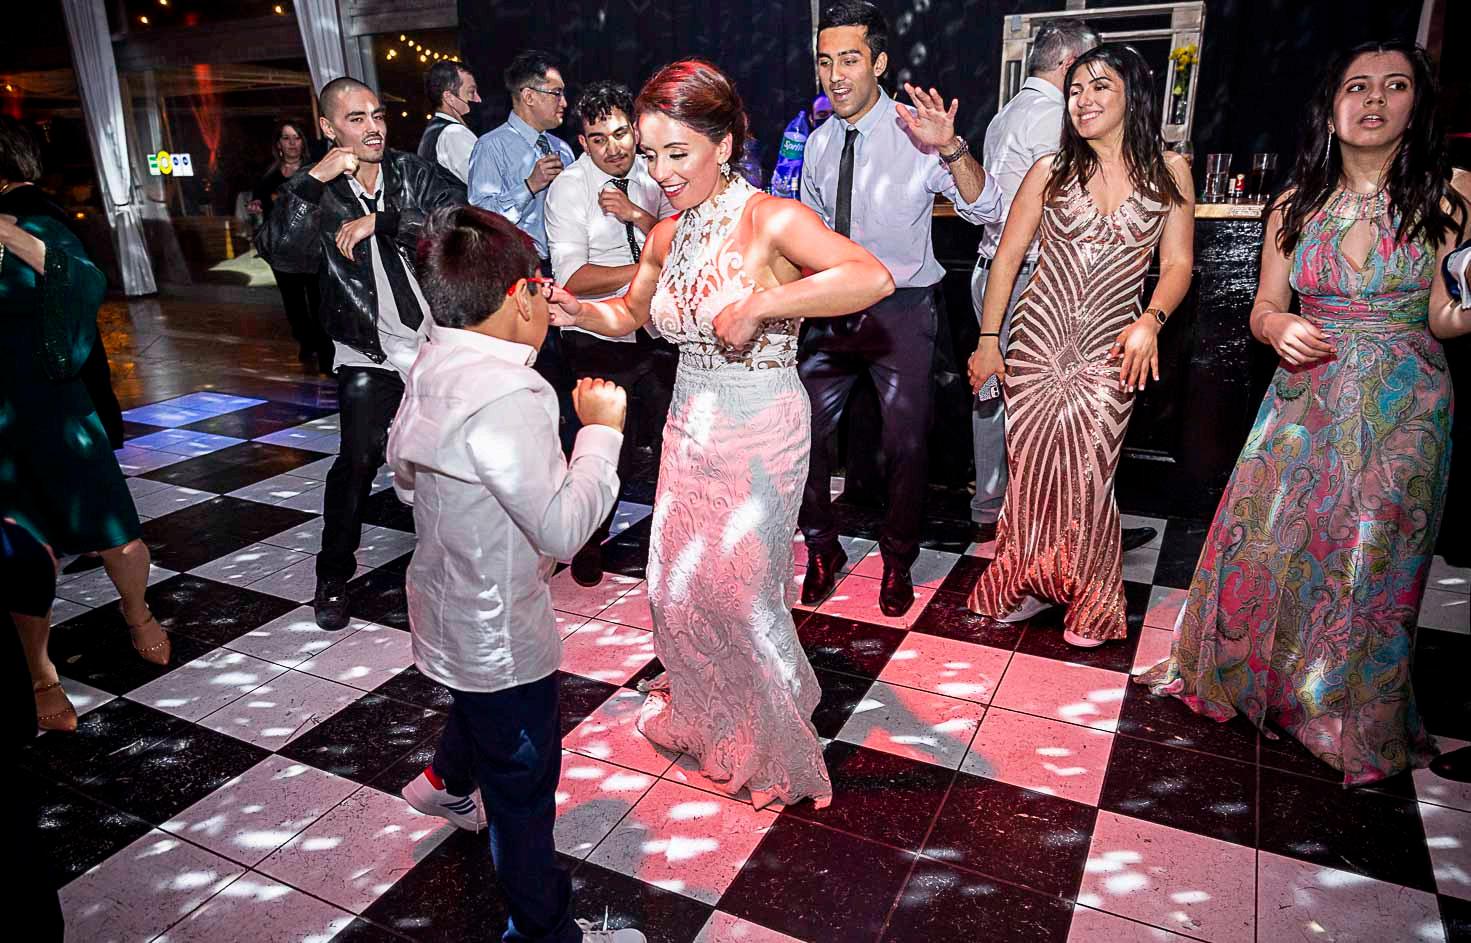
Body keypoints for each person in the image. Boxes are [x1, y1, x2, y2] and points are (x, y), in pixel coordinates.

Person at [550, 60, 894, 808]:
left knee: (740, 592)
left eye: (677, 153)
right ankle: (712, 711)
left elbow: (870, 276)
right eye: (651, 155)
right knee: (676, 587)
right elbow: (631, 315)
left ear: (725, 144)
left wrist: (765, 305)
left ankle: (769, 735)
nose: (661, 172)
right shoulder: (666, 232)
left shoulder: (771, 218)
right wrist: (577, 311)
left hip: (761, 421)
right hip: (690, 422)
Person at [1139, 41, 1470, 785]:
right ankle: (1268, 685)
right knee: (1273, 542)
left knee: (1372, 558)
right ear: (1329, 109)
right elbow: (1263, 306)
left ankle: (1346, 716)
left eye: (1394, 85)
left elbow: (1445, 315)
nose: (1374, 99)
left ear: (1417, 105)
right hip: (1304, 394)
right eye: (1357, 86)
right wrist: (1276, 326)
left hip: (1404, 401)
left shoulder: (1450, 194)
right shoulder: (1295, 204)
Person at [388, 205, 642, 943]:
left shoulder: (433, 361)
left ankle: (442, 783)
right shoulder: (512, 394)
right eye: (540, 284)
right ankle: (542, 932)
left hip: (442, 600)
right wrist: (600, 432)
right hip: (497, 628)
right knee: (523, 790)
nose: (548, 298)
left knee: (481, 711)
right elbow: (562, 528)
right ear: (519, 295)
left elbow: (403, 478)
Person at [966, 44, 1194, 647]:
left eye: (1099, 87)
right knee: (1030, 474)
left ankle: (1090, 598)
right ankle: (1024, 581)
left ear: (1132, 95)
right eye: (1075, 90)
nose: (1083, 100)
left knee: (1090, 473)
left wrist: (1151, 320)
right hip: (1037, 342)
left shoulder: (1170, 170)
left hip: (1111, 347)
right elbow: (1007, 259)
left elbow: (1177, 264)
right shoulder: (1051, 169)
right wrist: (989, 340)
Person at [798, 1, 1004, 617]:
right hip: (831, 309)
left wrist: (952, 148)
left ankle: (897, 560)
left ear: (880, 63)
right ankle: (822, 548)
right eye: (825, 61)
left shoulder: (917, 134)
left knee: (907, 444)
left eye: (850, 60)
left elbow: (987, 207)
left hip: (902, 308)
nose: (835, 75)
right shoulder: (818, 143)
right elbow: (810, 228)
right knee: (799, 432)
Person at [256, 77, 466, 631]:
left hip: (436, 342)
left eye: (377, 115)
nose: (373, 128)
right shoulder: (316, 188)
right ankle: (332, 576)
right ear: (328, 128)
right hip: (366, 348)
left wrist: (387, 221)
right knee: (357, 460)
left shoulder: (412, 172)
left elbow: (459, 225)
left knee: (453, 458)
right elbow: (282, 253)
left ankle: (458, 565)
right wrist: (311, 183)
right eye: (356, 118)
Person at [1, 211, 173, 733]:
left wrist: (7, 234)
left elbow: (84, 282)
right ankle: (39, 673)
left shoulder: (33, 227)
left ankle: (137, 609)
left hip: (56, 404)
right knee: (24, 555)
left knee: (118, 536)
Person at [545, 80, 676, 586]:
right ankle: (588, 539)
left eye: (621, 133)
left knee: (672, 441)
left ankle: (671, 539)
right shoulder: (569, 188)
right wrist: (645, 267)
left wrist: (639, 217)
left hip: (656, 329)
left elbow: (682, 237)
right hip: (596, 333)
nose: (614, 147)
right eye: (599, 139)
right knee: (608, 443)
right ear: (583, 142)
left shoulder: (653, 171)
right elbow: (573, 278)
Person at [468, 50, 580, 447]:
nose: (564, 102)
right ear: (529, 96)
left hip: (564, 274)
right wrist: (529, 186)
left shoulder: (563, 149)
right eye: (556, 93)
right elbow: (481, 218)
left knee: (567, 371)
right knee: (533, 371)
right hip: (518, 279)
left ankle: (569, 448)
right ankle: (532, 449)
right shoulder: (491, 147)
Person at [0, 117, 124, 449]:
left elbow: (83, 279)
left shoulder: (21, 215)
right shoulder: (48, 205)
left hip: (39, 364)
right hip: (63, 354)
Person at [252, 118, 332, 374]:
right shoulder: (268, 177)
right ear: (279, 144)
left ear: (303, 142)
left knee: (319, 304)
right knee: (294, 306)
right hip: (283, 253)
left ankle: (326, 355)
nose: (292, 143)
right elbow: (263, 209)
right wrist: (257, 207)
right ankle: (306, 342)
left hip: (311, 249)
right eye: (286, 138)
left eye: (296, 137)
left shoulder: (315, 172)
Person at [418, 60, 482, 184]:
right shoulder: (454, 134)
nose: (478, 99)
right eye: (471, 92)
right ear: (449, 97)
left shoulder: (435, 131)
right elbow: (487, 185)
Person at [769, 94, 833, 200]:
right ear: (811, 119)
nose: (830, 120)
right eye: (822, 115)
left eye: (835, 115)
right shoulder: (803, 153)